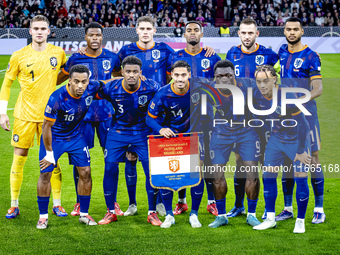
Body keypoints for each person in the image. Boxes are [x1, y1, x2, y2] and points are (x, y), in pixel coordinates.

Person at [0, 15, 67, 219]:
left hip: (50, 118)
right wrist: (2, 112)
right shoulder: (19, 55)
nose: (39, 31)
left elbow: (63, 74)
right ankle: (14, 204)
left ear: (49, 31)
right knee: (19, 159)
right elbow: (6, 84)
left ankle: (57, 204)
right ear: (30, 31)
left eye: (43, 28)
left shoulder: (58, 53)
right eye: (35, 28)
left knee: (52, 160)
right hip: (24, 116)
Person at [57, 21, 123, 217]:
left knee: (111, 159)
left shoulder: (112, 57)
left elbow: (119, 77)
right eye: (91, 35)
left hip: (106, 114)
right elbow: (60, 78)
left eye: (98, 35)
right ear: (85, 37)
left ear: (102, 37)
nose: (95, 38)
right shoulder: (76, 58)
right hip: (81, 117)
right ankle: (79, 202)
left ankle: (113, 202)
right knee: (79, 160)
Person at [95, 56, 162, 226]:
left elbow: (164, 103)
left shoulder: (152, 87)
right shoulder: (112, 87)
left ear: (141, 73)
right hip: (118, 132)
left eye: (135, 72)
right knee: (109, 167)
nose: (131, 75)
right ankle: (110, 211)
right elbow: (92, 88)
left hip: (142, 132)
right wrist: (113, 78)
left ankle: (152, 212)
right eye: (128, 72)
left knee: (151, 170)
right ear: (122, 72)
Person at [146, 60, 212, 228]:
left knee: (196, 173)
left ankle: (194, 214)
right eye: (176, 75)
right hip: (171, 139)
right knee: (167, 174)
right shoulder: (163, 94)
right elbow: (149, 118)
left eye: (183, 75)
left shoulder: (200, 85)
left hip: (193, 137)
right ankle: (169, 215)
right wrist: (161, 129)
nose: (180, 78)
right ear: (171, 75)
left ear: (189, 75)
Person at [166, 20, 221, 217]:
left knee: (207, 160)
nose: (192, 33)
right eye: (189, 30)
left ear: (201, 33)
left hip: (206, 116)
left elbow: (221, 82)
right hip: (181, 116)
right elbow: (168, 83)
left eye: (195, 30)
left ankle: (211, 201)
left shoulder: (212, 56)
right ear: (185, 34)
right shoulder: (176, 56)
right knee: (182, 159)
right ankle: (181, 201)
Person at [225, 17, 279, 219]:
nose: (247, 36)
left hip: (263, 116)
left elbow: (278, 77)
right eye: (243, 32)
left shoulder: (269, 54)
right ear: (238, 33)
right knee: (240, 160)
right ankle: (239, 205)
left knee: (265, 161)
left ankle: (267, 208)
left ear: (257, 34)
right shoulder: (232, 53)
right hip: (240, 115)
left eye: (250, 33)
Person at [37, 65, 101, 229]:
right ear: (70, 80)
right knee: (45, 174)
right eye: (76, 81)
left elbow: (107, 82)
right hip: (55, 138)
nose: (80, 85)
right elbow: (46, 127)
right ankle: (43, 217)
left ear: (88, 81)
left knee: (86, 172)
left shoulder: (91, 87)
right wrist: (49, 153)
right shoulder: (57, 98)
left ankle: (84, 214)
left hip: (76, 137)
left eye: (84, 82)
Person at [252, 65, 312, 233]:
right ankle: (270, 218)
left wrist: (300, 150)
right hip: (277, 137)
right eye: (259, 81)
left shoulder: (287, 95)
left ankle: (300, 221)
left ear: (274, 80)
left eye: (266, 81)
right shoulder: (257, 94)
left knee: (300, 178)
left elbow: (303, 125)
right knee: (268, 176)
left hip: (297, 138)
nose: (262, 85)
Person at [279, 17, 325, 224]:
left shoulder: (311, 56)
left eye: (295, 29)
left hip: (307, 115)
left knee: (313, 159)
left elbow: (318, 89)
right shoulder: (281, 51)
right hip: (285, 116)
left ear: (302, 31)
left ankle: (319, 208)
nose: (291, 32)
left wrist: (299, 99)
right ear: (284, 31)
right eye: (288, 29)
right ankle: (288, 208)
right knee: (288, 161)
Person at [208, 60, 261, 228]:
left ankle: (251, 215)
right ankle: (221, 216)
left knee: (252, 170)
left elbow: (269, 98)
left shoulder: (249, 85)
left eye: (228, 75)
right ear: (214, 77)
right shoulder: (208, 89)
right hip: (221, 131)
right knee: (216, 174)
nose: (224, 79)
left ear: (234, 75)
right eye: (220, 76)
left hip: (246, 131)